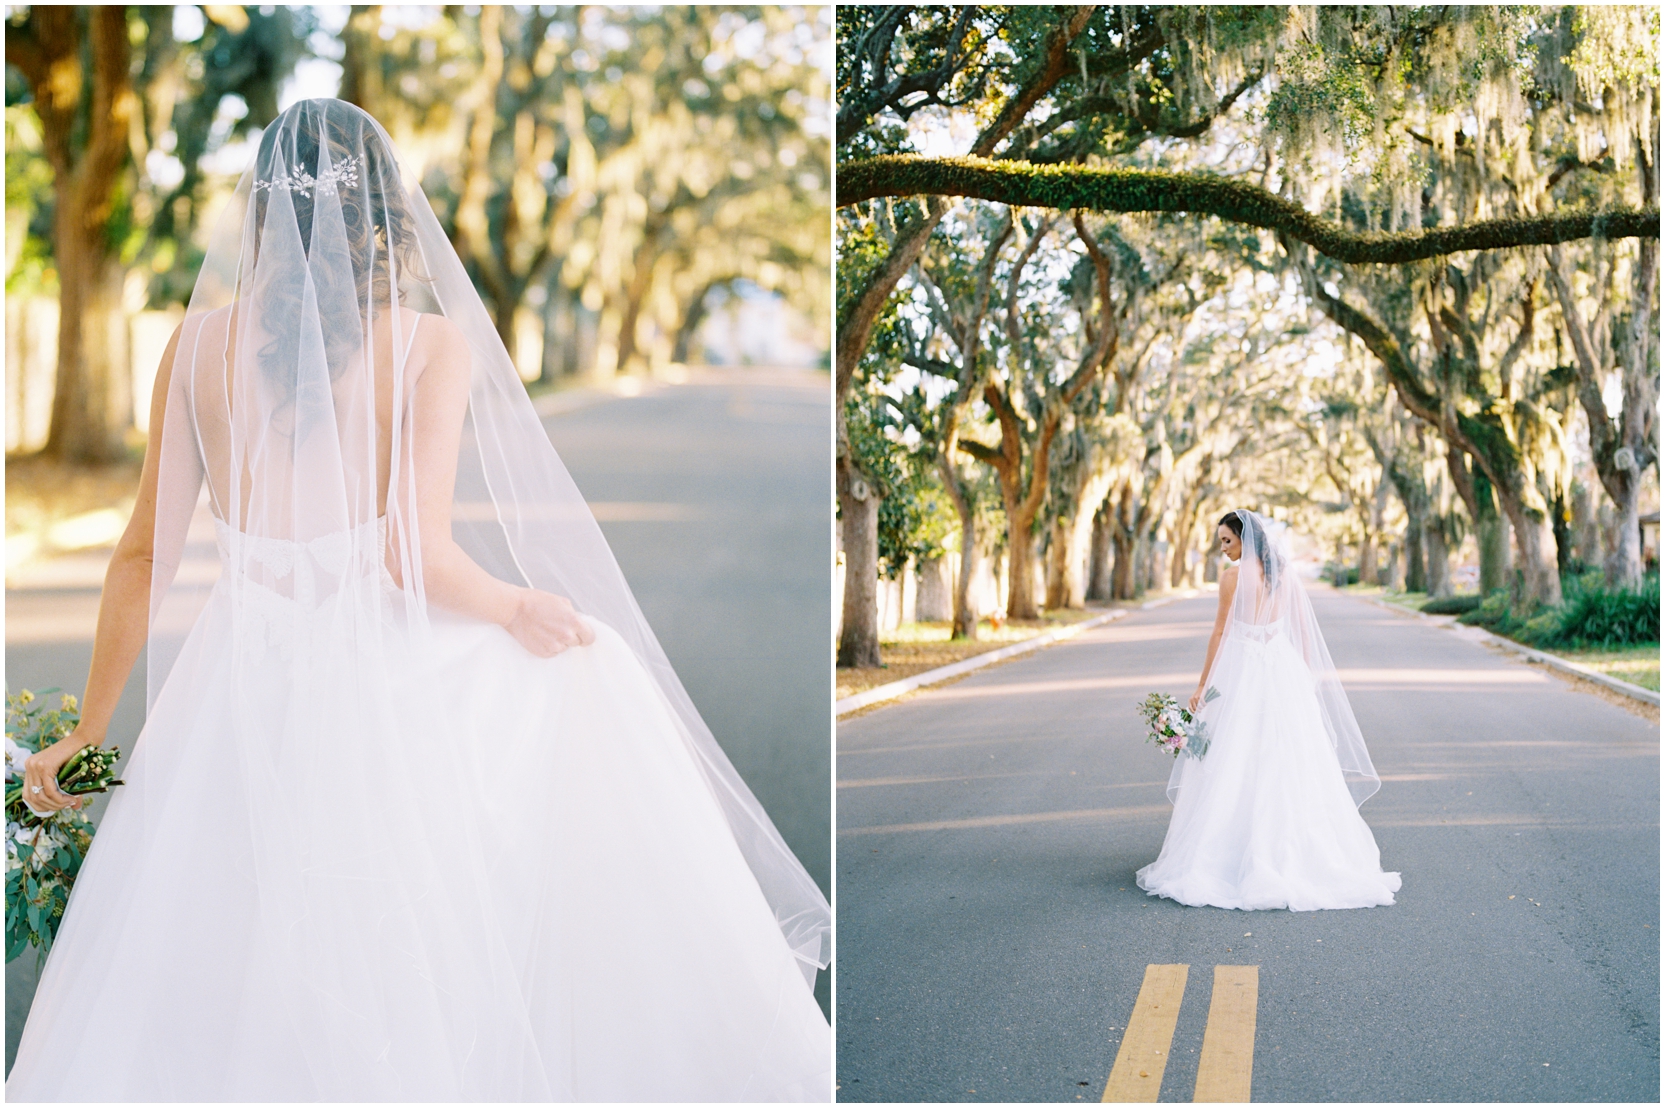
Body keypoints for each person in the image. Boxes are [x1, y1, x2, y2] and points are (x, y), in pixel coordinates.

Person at [8, 99, 829, 1101]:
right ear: (386, 214)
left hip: (232, 691)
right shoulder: (431, 345)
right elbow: (411, 553)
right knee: (407, 944)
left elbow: (140, 557)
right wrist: (513, 607)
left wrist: (90, 746)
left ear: (257, 210)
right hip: (375, 692)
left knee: (218, 956)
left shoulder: (195, 351)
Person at [1135, 509, 1401, 912]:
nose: (1222, 549)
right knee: (1286, 759)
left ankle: (1229, 855)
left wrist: (1203, 684)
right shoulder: (1284, 575)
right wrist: (1308, 675)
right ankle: (1295, 852)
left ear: (1247, 539)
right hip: (1283, 668)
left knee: (1235, 758)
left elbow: (1221, 632)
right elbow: (1303, 630)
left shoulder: (1231, 578)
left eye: (1227, 540)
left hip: (1243, 669)